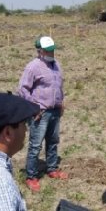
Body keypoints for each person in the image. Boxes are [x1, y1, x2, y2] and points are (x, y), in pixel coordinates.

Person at [18, 36, 68, 193]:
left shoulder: (56, 65)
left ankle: (52, 168)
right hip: (40, 112)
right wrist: (34, 107)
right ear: (40, 51)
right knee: (35, 145)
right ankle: (31, 176)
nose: (51, 52)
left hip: (54, 110)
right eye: (48, 50)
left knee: (53, 141)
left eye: (53, 49)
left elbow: (58, 86)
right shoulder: (33, 67)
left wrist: (61, 102)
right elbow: (23, 89)